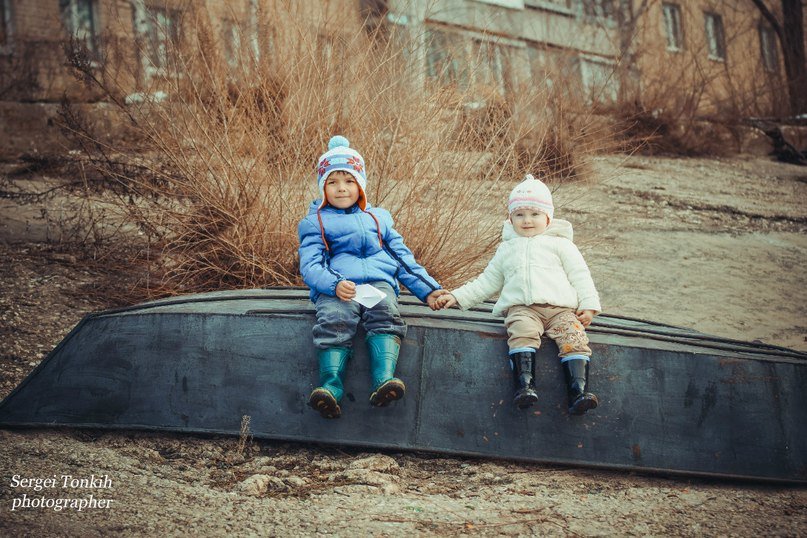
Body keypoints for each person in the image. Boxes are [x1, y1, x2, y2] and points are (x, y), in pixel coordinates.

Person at [298, 135, 445, 419]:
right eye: (333, 182)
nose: (342, 188)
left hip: (377, 284)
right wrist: (334, 284)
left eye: (349, 181)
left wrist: (429, 290)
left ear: (361, 184)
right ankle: (331, 388)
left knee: (387, 312)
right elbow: (311, 264)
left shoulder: (379, 218)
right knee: (334, 319)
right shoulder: (314, 221)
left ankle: (384, 380)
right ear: (323, 186)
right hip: (339, 287)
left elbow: (402, 258)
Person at [435, 174, 601, 415]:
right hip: (524, 310)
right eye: (519, 215)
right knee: (521, 332)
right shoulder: (507, 249)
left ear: (548, 217)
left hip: (561, 310)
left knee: (574, 338)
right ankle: (525, 386)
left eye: (534, 214)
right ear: (510, 218)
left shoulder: (561, 244)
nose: (527, 221)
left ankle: (578, 391)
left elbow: (580, 275)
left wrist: (588, 304)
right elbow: (487, 281)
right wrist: (457, 296)